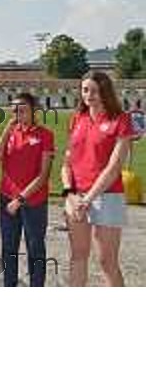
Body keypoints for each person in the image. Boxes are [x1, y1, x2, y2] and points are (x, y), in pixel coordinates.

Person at [62, 71, 133, 287]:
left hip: (107, 196)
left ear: (105, 92)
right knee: (77, 257)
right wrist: (70, 193)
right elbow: (66, 164)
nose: (89, 95)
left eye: (95, 90)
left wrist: (88, 199)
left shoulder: (120, 119)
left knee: (107, 262)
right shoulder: (77, 119)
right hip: (75, 197)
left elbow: (113, 168)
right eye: (85, 90)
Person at [0, 93, 55, 287]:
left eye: (22, 109)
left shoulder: (45, 135)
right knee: (8, 248)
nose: (17, 113)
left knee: (35, 248)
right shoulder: (11, 132)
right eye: (14, 110)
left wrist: (19, 199)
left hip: (33, 201)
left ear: (33, 110)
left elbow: (43, 175)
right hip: (7, 198)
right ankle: (9, 285)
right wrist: (5, 133)